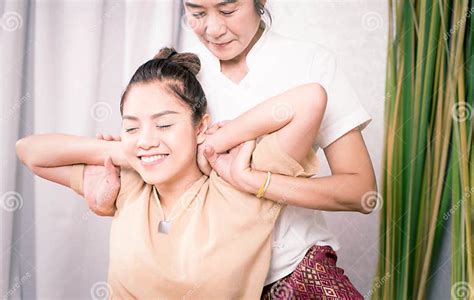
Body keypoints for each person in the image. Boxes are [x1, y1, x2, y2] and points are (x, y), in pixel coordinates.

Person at [89, 0, 376, 297]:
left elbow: (360, 193)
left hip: (295, 270)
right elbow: (148, 162)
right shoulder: (180, 74)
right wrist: (110, 186)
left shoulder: (310, 63)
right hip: (208, 284)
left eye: (228, 10)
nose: (213, 28)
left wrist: (252, 179)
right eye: (197, 13)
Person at [16, 48, 339, 298]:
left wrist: (216, 144)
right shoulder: (127, 185)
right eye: (131, 126)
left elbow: (310, 99)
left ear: (201, 126)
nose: (146, 137)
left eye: (164, 124)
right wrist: (127, 151)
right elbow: (29, 151)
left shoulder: (236, 181)